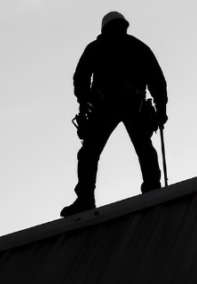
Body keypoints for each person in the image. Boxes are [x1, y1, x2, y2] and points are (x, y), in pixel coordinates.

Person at [61, 11, 168, 217]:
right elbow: (157, 80)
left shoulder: (97, 47)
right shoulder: (137, 47)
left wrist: (85, 100)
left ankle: (85, 199)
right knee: (142, 147)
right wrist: (161, 109)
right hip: (127, 104)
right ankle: (153, 188)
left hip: (108, 105)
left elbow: (80, 78)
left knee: (90, 152)